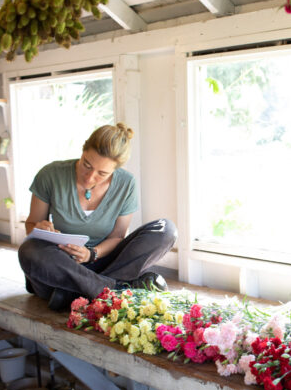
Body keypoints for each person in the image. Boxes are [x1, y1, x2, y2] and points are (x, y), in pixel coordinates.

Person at [18, 123, 177, 311]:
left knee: (166, 230)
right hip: (62, 266)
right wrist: (39, 228)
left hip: (102, 261)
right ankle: (116, 290)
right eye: (86, 164)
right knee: (28, 249)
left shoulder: (126, 184)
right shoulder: (50, 175)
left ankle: (74, 294)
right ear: (83, 149)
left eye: (102, 173)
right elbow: (31, 225)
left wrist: (91, 254)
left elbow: (117, 236)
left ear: (115, 170)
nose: (90, 177)